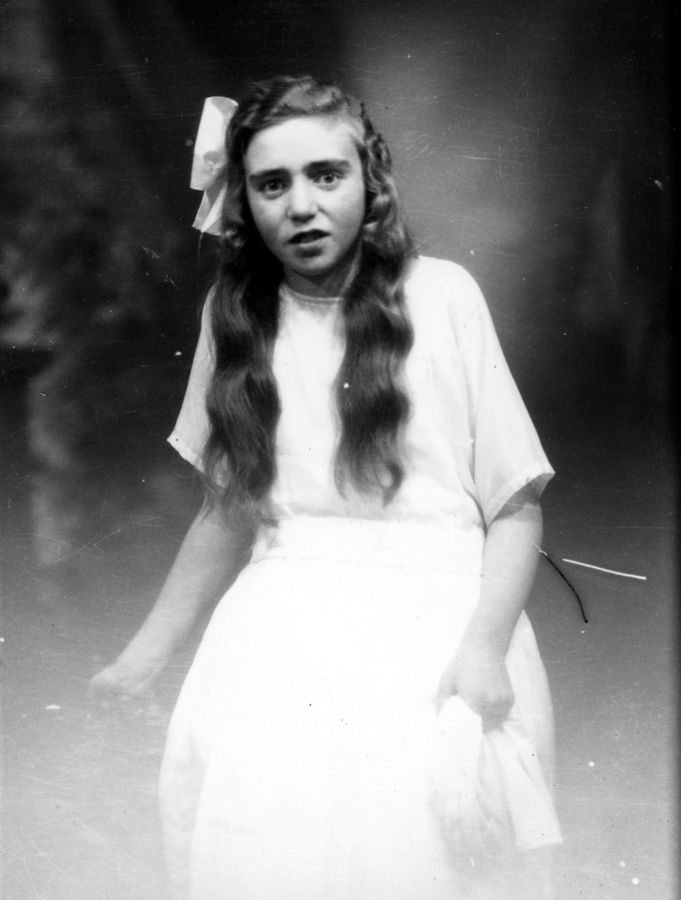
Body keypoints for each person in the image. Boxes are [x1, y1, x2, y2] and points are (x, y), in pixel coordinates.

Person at [91, 75, 562, 898]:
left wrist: (483, 650)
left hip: (439, 639)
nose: (301, 206)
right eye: (272, 184)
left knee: (419, 855)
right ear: (244, 200)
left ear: (369, 183)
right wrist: (143, 655)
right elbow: (225, 512)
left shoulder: (442, 296)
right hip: (280, 645)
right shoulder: (236, 313)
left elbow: (515, 505)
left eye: (325, 175)